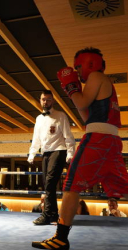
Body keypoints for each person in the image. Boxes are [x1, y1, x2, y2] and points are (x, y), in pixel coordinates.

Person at [32, 47, 128, 250]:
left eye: (78, 67)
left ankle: (60, 237)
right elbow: (87, 115)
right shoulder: (101, 84)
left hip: (98, 141)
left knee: (71, 184)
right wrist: (75, 91)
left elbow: (82, 101)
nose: (77, 71)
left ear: (90, 63)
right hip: (110, 140)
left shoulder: (96, 76)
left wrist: (71, 88)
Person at [28, 90, 76, 225]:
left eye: (48, 99)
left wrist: (70, 153)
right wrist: (32, 153)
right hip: (46, 153)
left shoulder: (61, 116)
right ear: (40, 100)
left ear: (53, 101)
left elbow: (69, 136)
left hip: (59, 151)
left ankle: (47, 215)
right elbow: (36, 139)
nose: (46, 102)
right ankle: (53, 216)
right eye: (43, 99)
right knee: (48, 185)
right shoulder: (38, 118)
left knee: (49, 183)